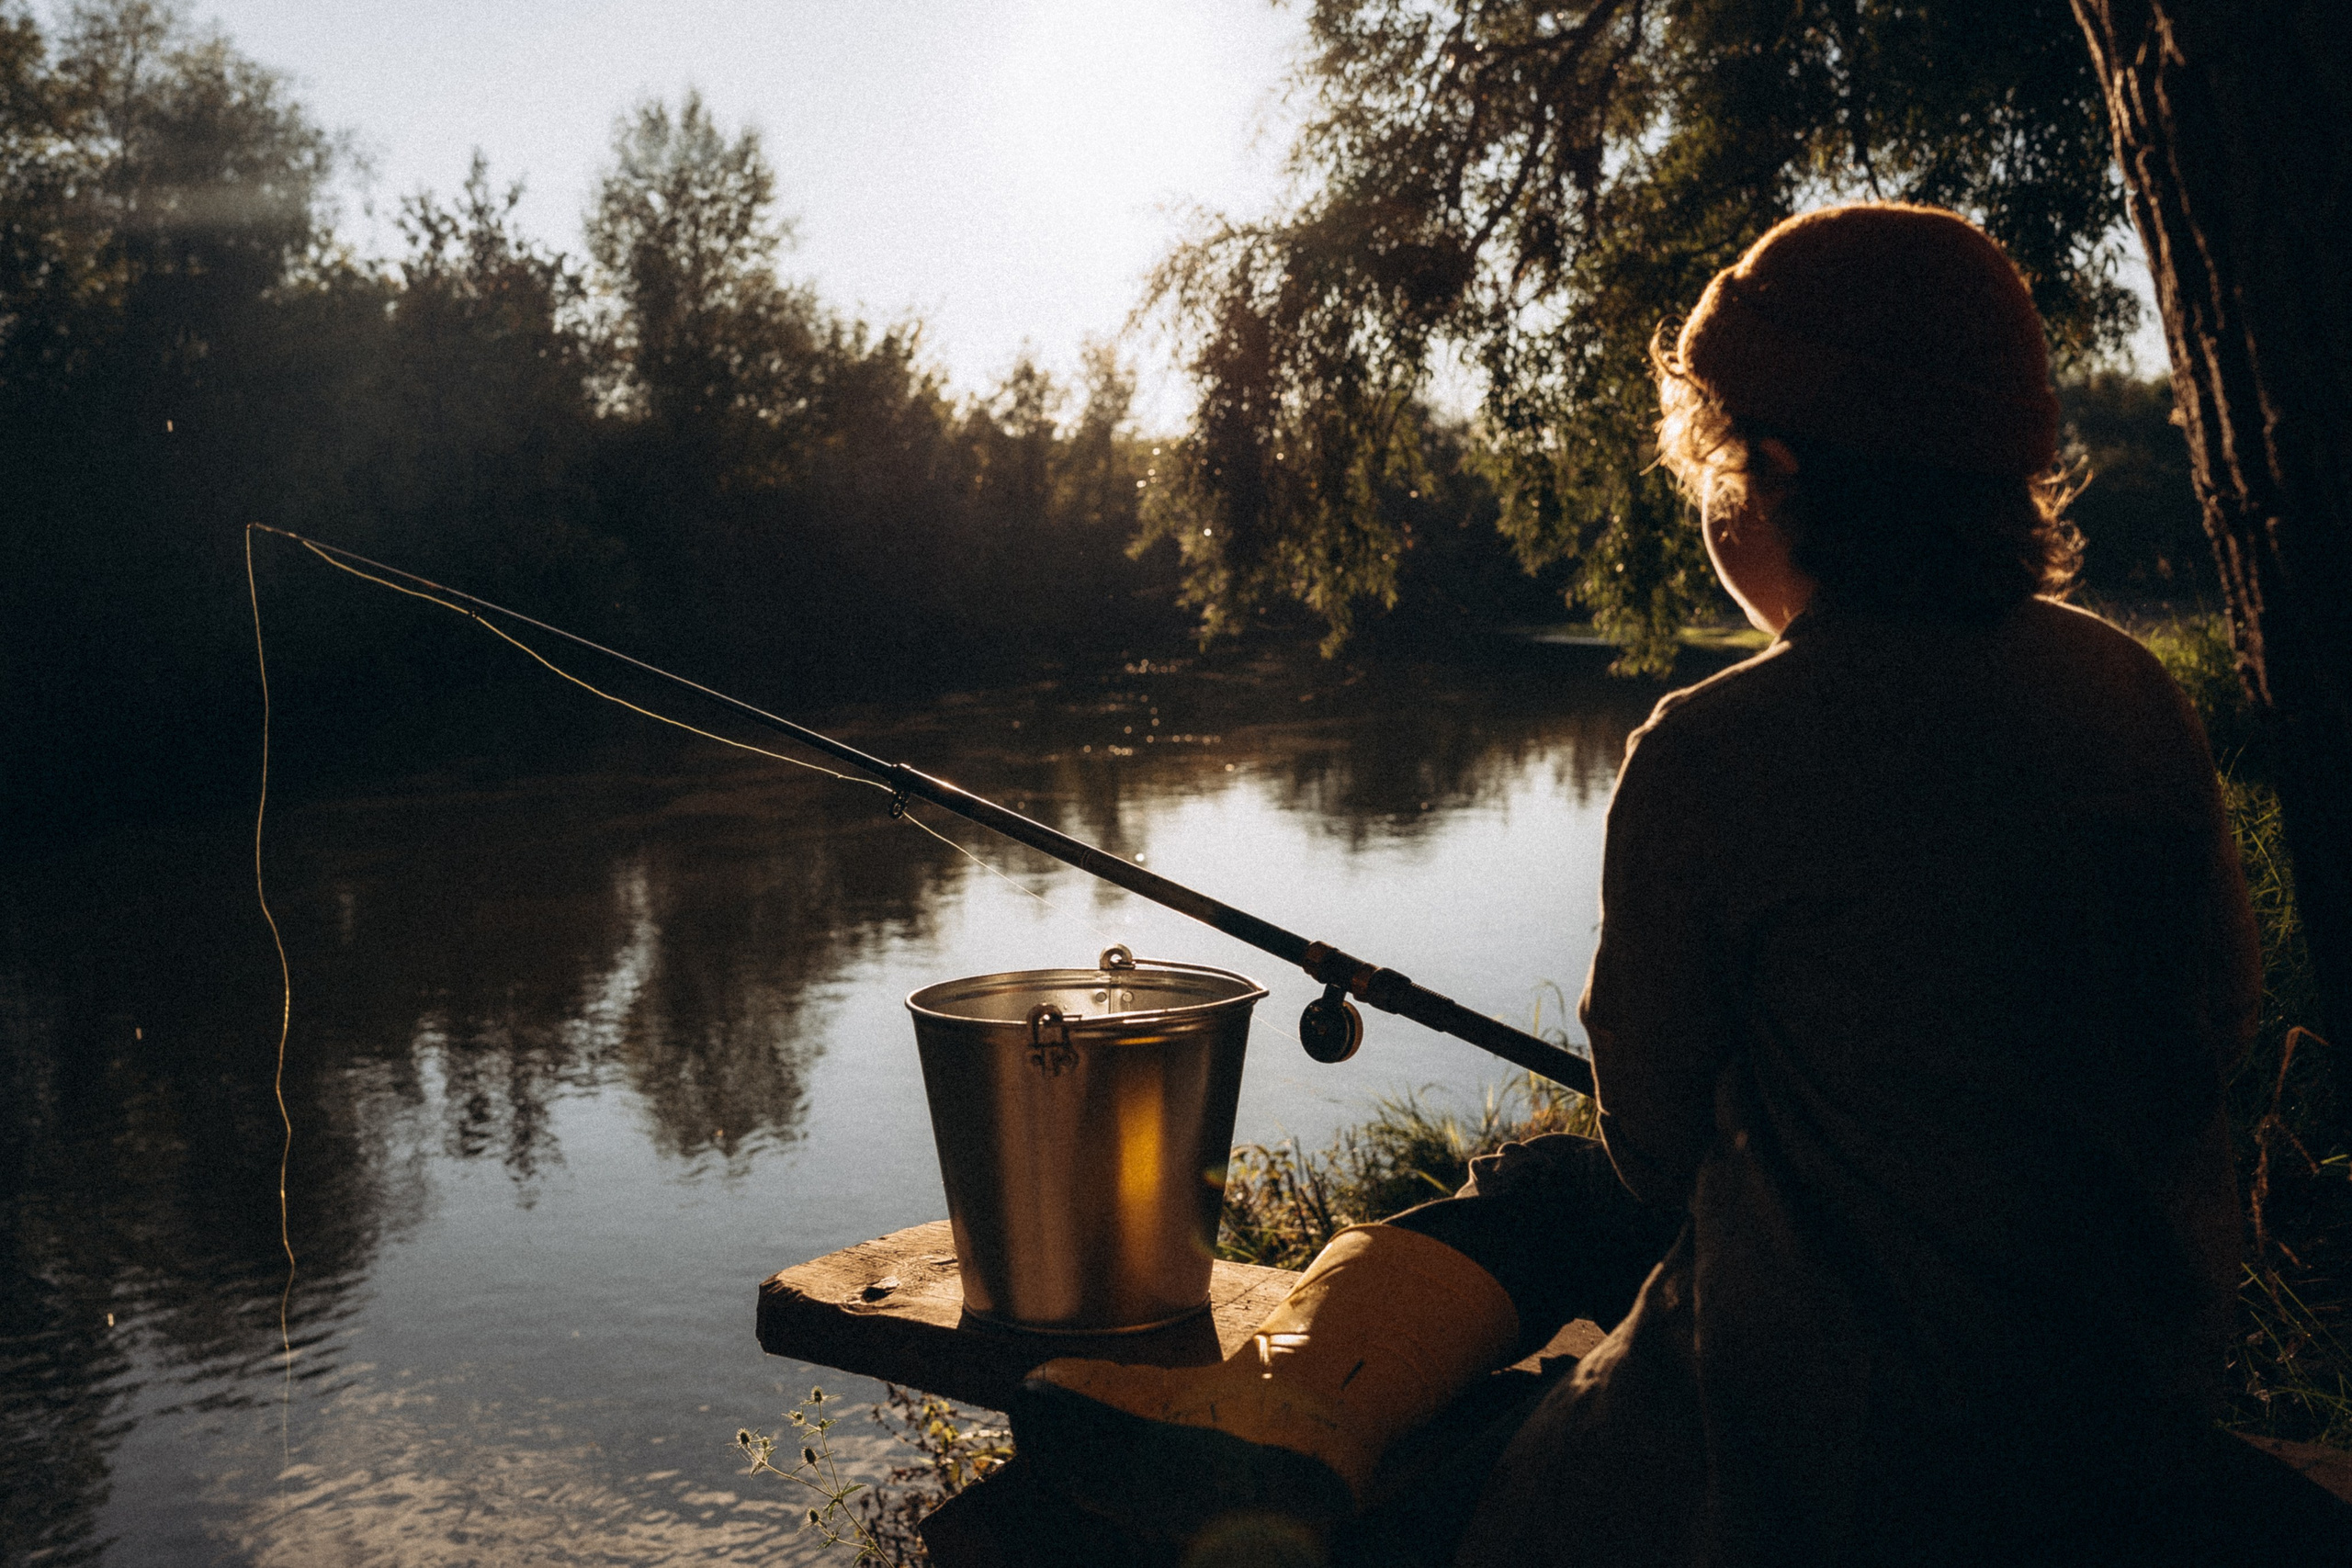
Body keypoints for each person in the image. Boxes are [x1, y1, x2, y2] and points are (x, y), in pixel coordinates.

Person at [1011, 204, 2336, 1564]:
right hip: (2128, 1389)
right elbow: (2220, 1021)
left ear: (1773, 470)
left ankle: (1282, 1414)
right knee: (1567, 1191)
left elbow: (1650, 1143)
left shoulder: (1717, 746)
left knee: (1543, 1259)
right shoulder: (2132, 693)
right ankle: (1292, 1407)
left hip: (1848, 1454)